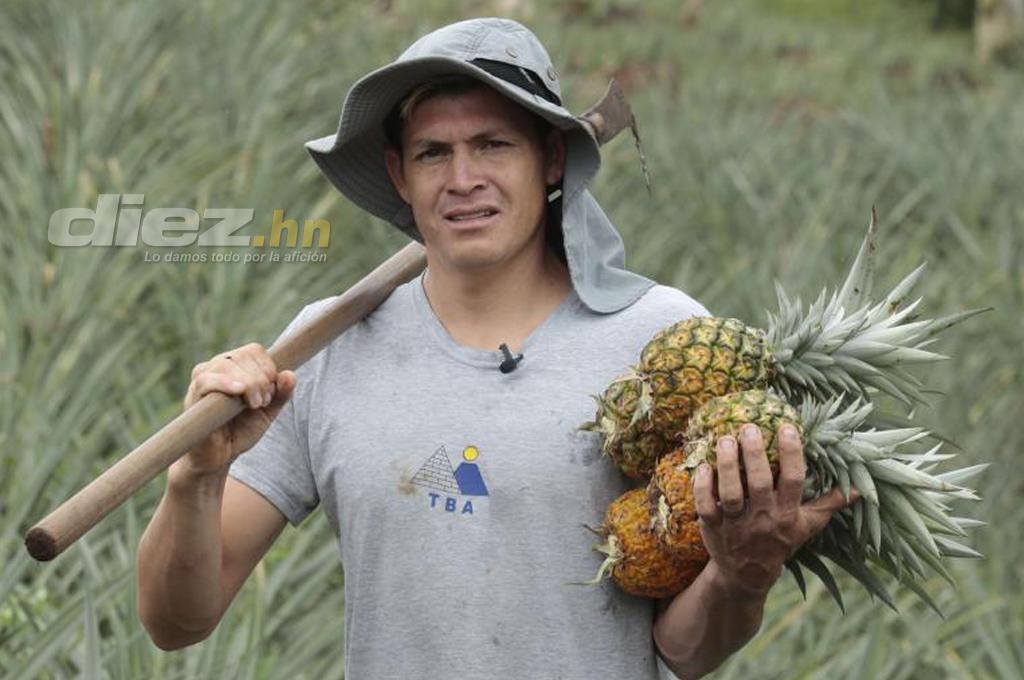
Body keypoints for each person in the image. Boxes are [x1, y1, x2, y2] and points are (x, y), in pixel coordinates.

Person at [136, 17, 853, 680]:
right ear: (398, 174)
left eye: (492, 145)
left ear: (549, 160)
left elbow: (682, 649)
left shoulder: (659, 342)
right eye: (432, 153)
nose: (461, 180)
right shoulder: (328, 346)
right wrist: (195, 479)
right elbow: (177, 622)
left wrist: (739, 576)